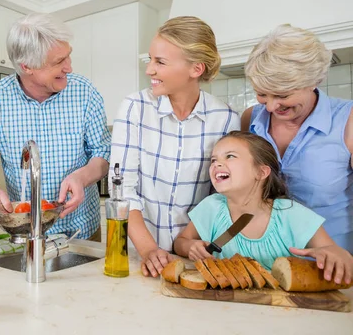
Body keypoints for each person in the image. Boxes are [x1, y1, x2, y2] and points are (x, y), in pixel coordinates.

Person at [109, 16, 239, 278]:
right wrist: (149, 250)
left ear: (196, 69)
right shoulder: (135, 108)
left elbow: (222, 196)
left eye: (160, 62)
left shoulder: (225, 118)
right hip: (139, 255)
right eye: (150, 59)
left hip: (198, 257)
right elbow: (122, 189)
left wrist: (189, 243)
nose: (149, 70)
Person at [0, 13, 111, 240]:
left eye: (68, 56)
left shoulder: (84, 91)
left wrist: (82, 177)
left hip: (82, 230)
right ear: (27, 67)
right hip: (27, 234)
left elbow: (102, 153)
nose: (69, 68)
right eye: (58, 62)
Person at [174, 131, 353, 284]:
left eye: (230, 156)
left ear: (261, 172)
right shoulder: (211, 207)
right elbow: (180, 242)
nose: (216, 164)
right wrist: (190, 246)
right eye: (214, 160)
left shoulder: (292, 214)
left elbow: (333, 252)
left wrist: (338, 255)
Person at [241, 24, 353, 253]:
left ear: (314, 81)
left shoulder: (348, 120)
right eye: (262, 93)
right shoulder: (250, 119)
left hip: (330, 269)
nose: (271, 106)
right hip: (262, 262)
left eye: (282, 95)